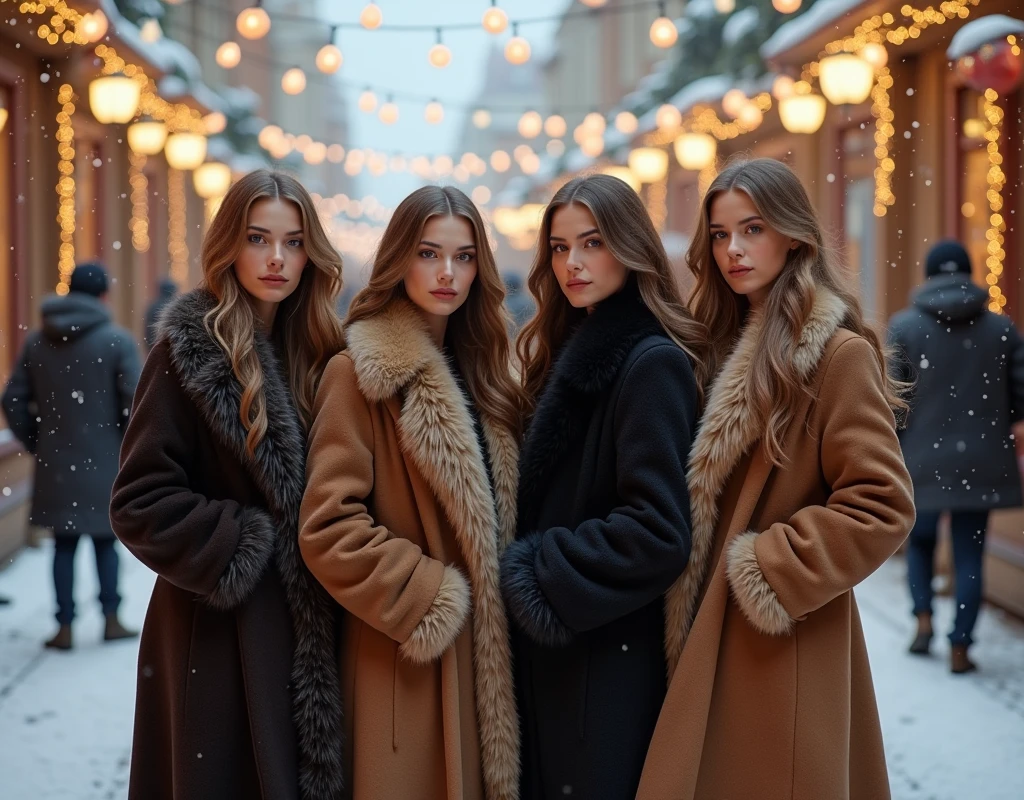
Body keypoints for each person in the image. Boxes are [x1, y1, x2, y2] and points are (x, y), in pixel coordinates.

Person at [635, 158, 916, 800]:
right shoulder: (705, 345)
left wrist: (770, 568)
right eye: (719, 233)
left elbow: (882, 504)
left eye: (752, 229)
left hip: (780, 641)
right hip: (699, 631)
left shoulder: (834, 354)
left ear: (793, 235)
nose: (733, 249)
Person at [109, 170, 345, 800]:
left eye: (293, 242)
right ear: (228, 247)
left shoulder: (326, 353)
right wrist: (245, 544)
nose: (276, 258)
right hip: (217, 634)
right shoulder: (190, 352)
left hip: (312, 632)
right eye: (257, 238)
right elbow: (138, 502)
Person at [299, 186, 522, 800]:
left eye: (465, 256)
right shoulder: (360, 373)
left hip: (486, 670)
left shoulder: (495, 377)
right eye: (429, 253)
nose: (448, 273)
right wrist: (429, 596)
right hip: (403, 659)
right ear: (399, 258)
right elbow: (327, 526)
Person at [499, 174, 707, 799]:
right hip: (565, 658)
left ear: (630, 246)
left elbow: (659, 532)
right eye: (560, 248)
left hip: (604, 662)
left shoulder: (650, 363)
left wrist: (540, 571)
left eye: (591, 243)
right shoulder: (565, 350)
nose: (573, 263)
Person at [888, 240, 1024, 673]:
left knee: (921, 542)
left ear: (929, 275)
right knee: (971, 552)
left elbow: (894, 400)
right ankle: (961, 645)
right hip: (981, 460)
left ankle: (924, 621)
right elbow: (1021, 398)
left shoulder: (904, 328)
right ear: (968, 274)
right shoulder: (1001, 330)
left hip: (920, 458)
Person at [2, 261, 141, 650]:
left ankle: (64, 626)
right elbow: (138, 404)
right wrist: (124, 445)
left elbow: (12, 399)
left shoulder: (37, 341)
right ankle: (111, 618)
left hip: (56, 465)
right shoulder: (116, 341)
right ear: (103, 295)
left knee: (63, 546)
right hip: (104, 463)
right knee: (104, 543)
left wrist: (37, 440)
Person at [143, 277, 178, 352]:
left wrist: (148, 343)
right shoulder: (176, 306)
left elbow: (147, 328)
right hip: (170, 346)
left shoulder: (153, 306)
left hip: (154, 344)